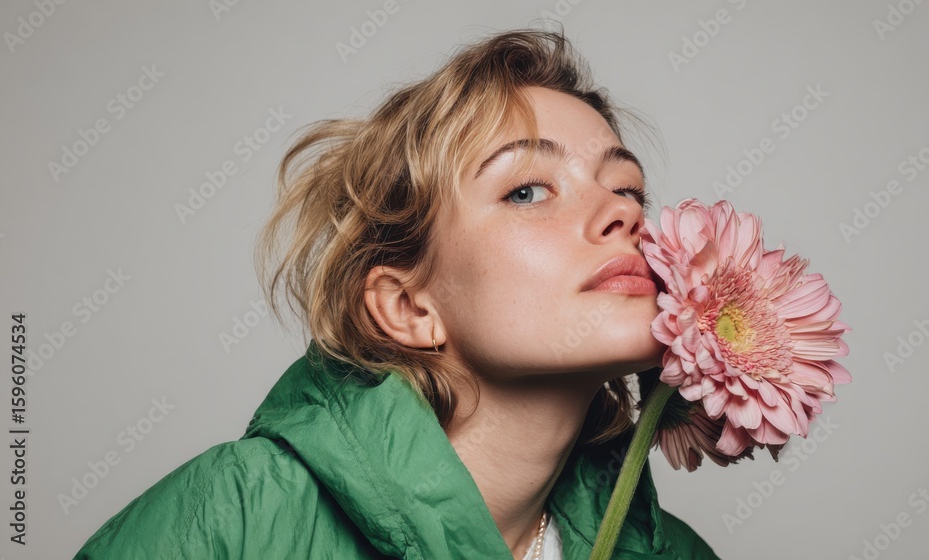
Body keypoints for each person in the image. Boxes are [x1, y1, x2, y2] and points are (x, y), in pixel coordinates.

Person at [74, 28, 720, 559]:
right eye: (526, 190)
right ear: (408, 308)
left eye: (627, 188)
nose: (621, 213)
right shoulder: (235, 516)